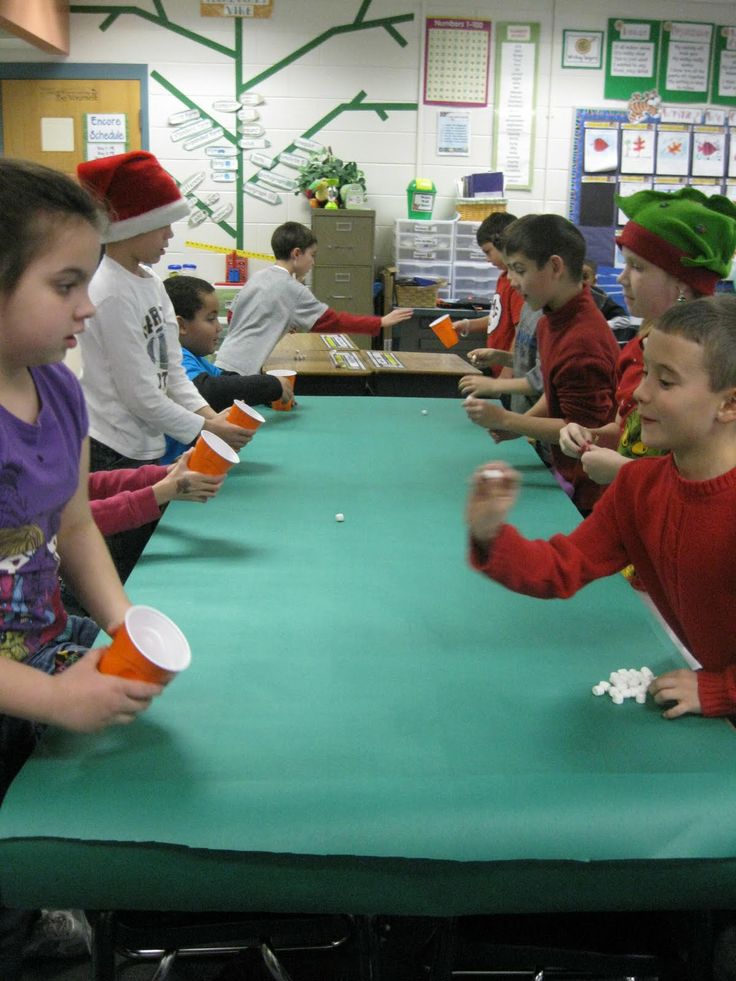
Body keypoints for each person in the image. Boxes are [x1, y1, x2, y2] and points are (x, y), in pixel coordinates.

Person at [0, 158, 163, 980]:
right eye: (65, 283)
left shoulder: (60, 393)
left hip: (33, 656)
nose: (88, 307)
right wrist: (58, 697)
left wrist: (121, 617)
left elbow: (71, 523)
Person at [465, 294, 736, 720]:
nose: (640, 393)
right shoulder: (638, 486)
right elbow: (564, 565)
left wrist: (723, 689)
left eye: (665, 382)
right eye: (646, 372)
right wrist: (490, 536)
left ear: (729, 404)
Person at [75, 151, 251, 581]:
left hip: (147, 445)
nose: (171, 234)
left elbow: (172, 369)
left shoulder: (151, 283)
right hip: (112, 447)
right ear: (131, 224)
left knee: (144, 549)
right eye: (163, 222)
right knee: (121, 564)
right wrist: (206, 430)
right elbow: (139, 395)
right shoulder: (109, 290)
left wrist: (210, 417)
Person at [560, 188, 736, 488]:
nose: (621, 277)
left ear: (682, 284)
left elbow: (709, 477)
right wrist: (588, 435)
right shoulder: (638, 346)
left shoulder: (711, 359)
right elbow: (628, 428)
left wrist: (625, 472)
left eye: (637, 267)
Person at [463, 214, 620, 515]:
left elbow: (583, 429)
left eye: (519, 270)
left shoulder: (583, 341)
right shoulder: (552, 320)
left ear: (555, 267)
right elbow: (555, 390)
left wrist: (508, 420)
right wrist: (518, 429)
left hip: (590, 491)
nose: (511, 280)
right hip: (567, 471)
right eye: (509, 269)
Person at [214, 221, 414, 375]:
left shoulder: (258, 277)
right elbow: (332, 322)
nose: (314, 262)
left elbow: (233, 314)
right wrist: (379, 322)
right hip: (244, 371)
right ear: (297, 253)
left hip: (223, 361)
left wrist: (277, 321)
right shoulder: (293, 289)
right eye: (313, 255)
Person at [161, 275, 288, 461]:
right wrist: (271, 385)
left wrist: (260, 392)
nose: (218, 328)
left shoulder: (197, 358)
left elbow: (226, 379)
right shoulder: (178, 356)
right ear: (181, 325)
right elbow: (207, 390)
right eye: (211, 319)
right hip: (169, 464)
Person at [452, 211, 524, 379]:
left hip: (509, 376)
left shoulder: (517, 285)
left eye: (488, 251)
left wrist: (504, 379)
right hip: (497, 370)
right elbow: (498, 319)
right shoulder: (503, 278)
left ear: (504, 244)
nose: (487, 259)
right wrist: (468, 324)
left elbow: (520, 334)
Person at [581, 256, 632, 339]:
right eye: (576, 277)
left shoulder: (602, 299)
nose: (580, 282)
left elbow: (624, 320)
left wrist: (601, 326)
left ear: (594, 281)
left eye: (584, 277)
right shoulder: (566, 298)